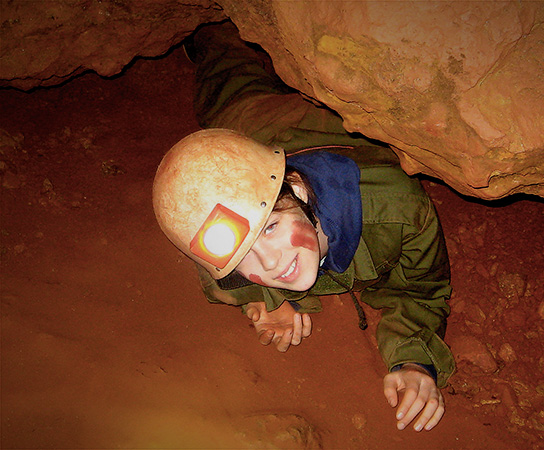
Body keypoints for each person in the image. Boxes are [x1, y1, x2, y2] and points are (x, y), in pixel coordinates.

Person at [153, 20, 455, 432]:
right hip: (245, 161)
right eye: (247, 256)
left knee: (238, 89)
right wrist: (269, 298)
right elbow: (215, 273)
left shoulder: (399, 212)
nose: (273, 263)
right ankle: (212, 34)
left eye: (272, 228)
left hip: (266, 121)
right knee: (219, 76)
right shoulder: (221, 233)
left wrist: (414, 358)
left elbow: (420, 289)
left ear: (296, 188)